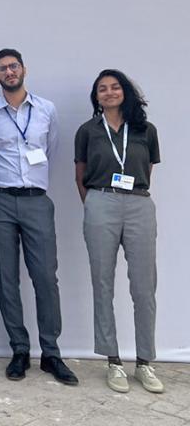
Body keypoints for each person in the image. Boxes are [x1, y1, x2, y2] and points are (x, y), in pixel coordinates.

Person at [0, 49, 78, 385]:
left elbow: (49, 150)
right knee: (7, 279)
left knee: (45, 278)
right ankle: (20, 349)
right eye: (2, 69)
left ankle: (51, 353)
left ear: (24, 69)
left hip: (37, 200)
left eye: (13, 66)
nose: (9, 72)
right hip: (1, 201)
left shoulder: (46, 109)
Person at [75, 69, 163, 394]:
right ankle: (113, 361)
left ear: (125, 92)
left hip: (139, 203)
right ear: (96, 97)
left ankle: (144, 363)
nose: (109, 93)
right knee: (102, 283)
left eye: (114, 87)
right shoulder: (88, 131)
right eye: (102, 89)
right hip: (100, 202)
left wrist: (129, 197)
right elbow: (80, 174)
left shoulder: (145, 130)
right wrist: (95, 205)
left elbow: (147, 170)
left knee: (144, 287)